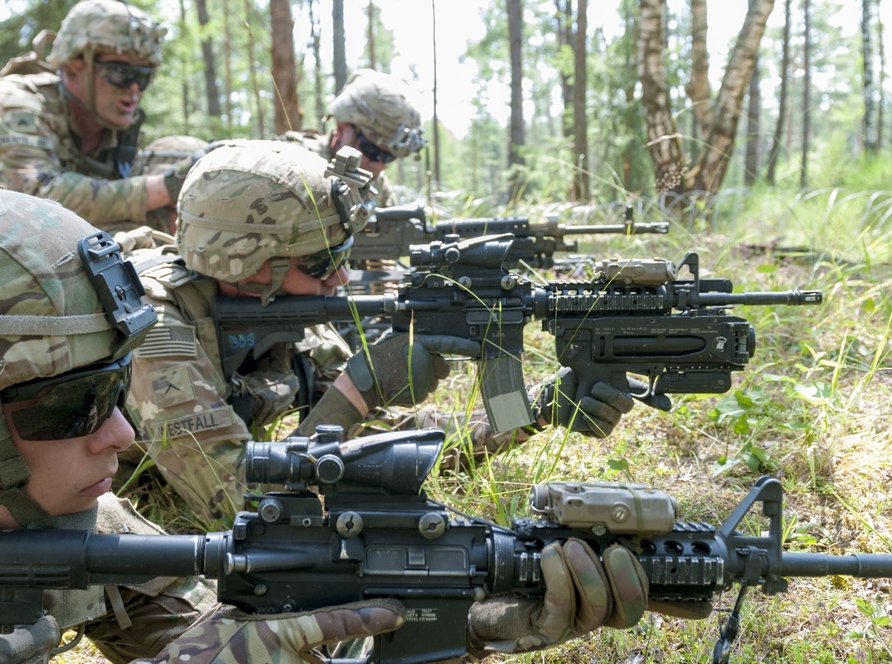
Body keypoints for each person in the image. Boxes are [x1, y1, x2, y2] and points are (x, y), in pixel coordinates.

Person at [0, 182, 653, 663]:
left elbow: (237, 635)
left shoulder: (72, 520)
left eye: (118, 391)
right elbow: (235, 492)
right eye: (74, 406)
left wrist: (466, 621)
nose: (121, 434)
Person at [120, 139, 660, 529]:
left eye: (344, 255)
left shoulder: (282, 315)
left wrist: (535, 413)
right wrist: (357, 391)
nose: (340, 276)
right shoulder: (154, 327)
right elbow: (245, 502)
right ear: (241, 261)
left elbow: (382, 448)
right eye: (322, 260)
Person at [0, 0, 192, 235]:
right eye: (121, 74)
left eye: (145, 76)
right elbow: (39, 198)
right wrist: (166, 187)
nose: (135, 89)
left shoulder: (109, 128)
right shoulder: (14, 103)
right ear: (75, 64)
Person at [278, 68, 425, 207]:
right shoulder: (291, 165)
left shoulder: (377, 186)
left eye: (388, 158)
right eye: (372, 151)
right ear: (343, 128)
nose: (379, 166)